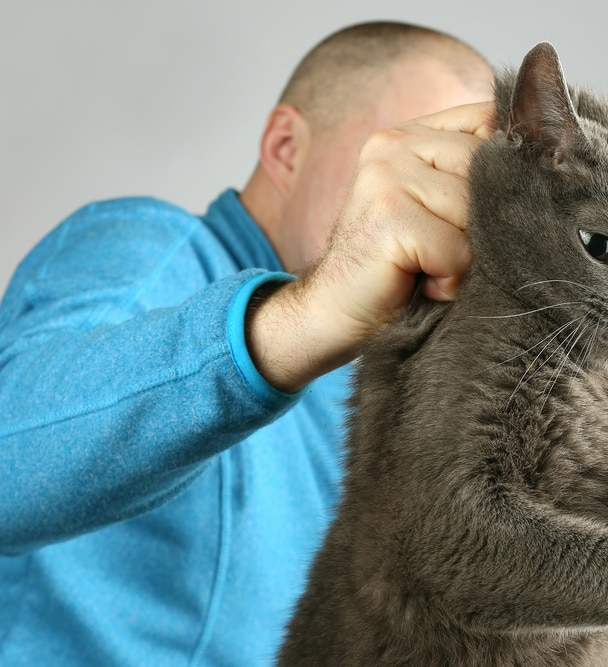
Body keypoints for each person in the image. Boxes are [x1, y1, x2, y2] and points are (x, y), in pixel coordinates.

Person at [0, 21, 495, 665]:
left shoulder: (373, 384)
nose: (446, 204)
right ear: (285, 147)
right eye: (418, 157)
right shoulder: (154, 252)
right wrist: (313, 312)